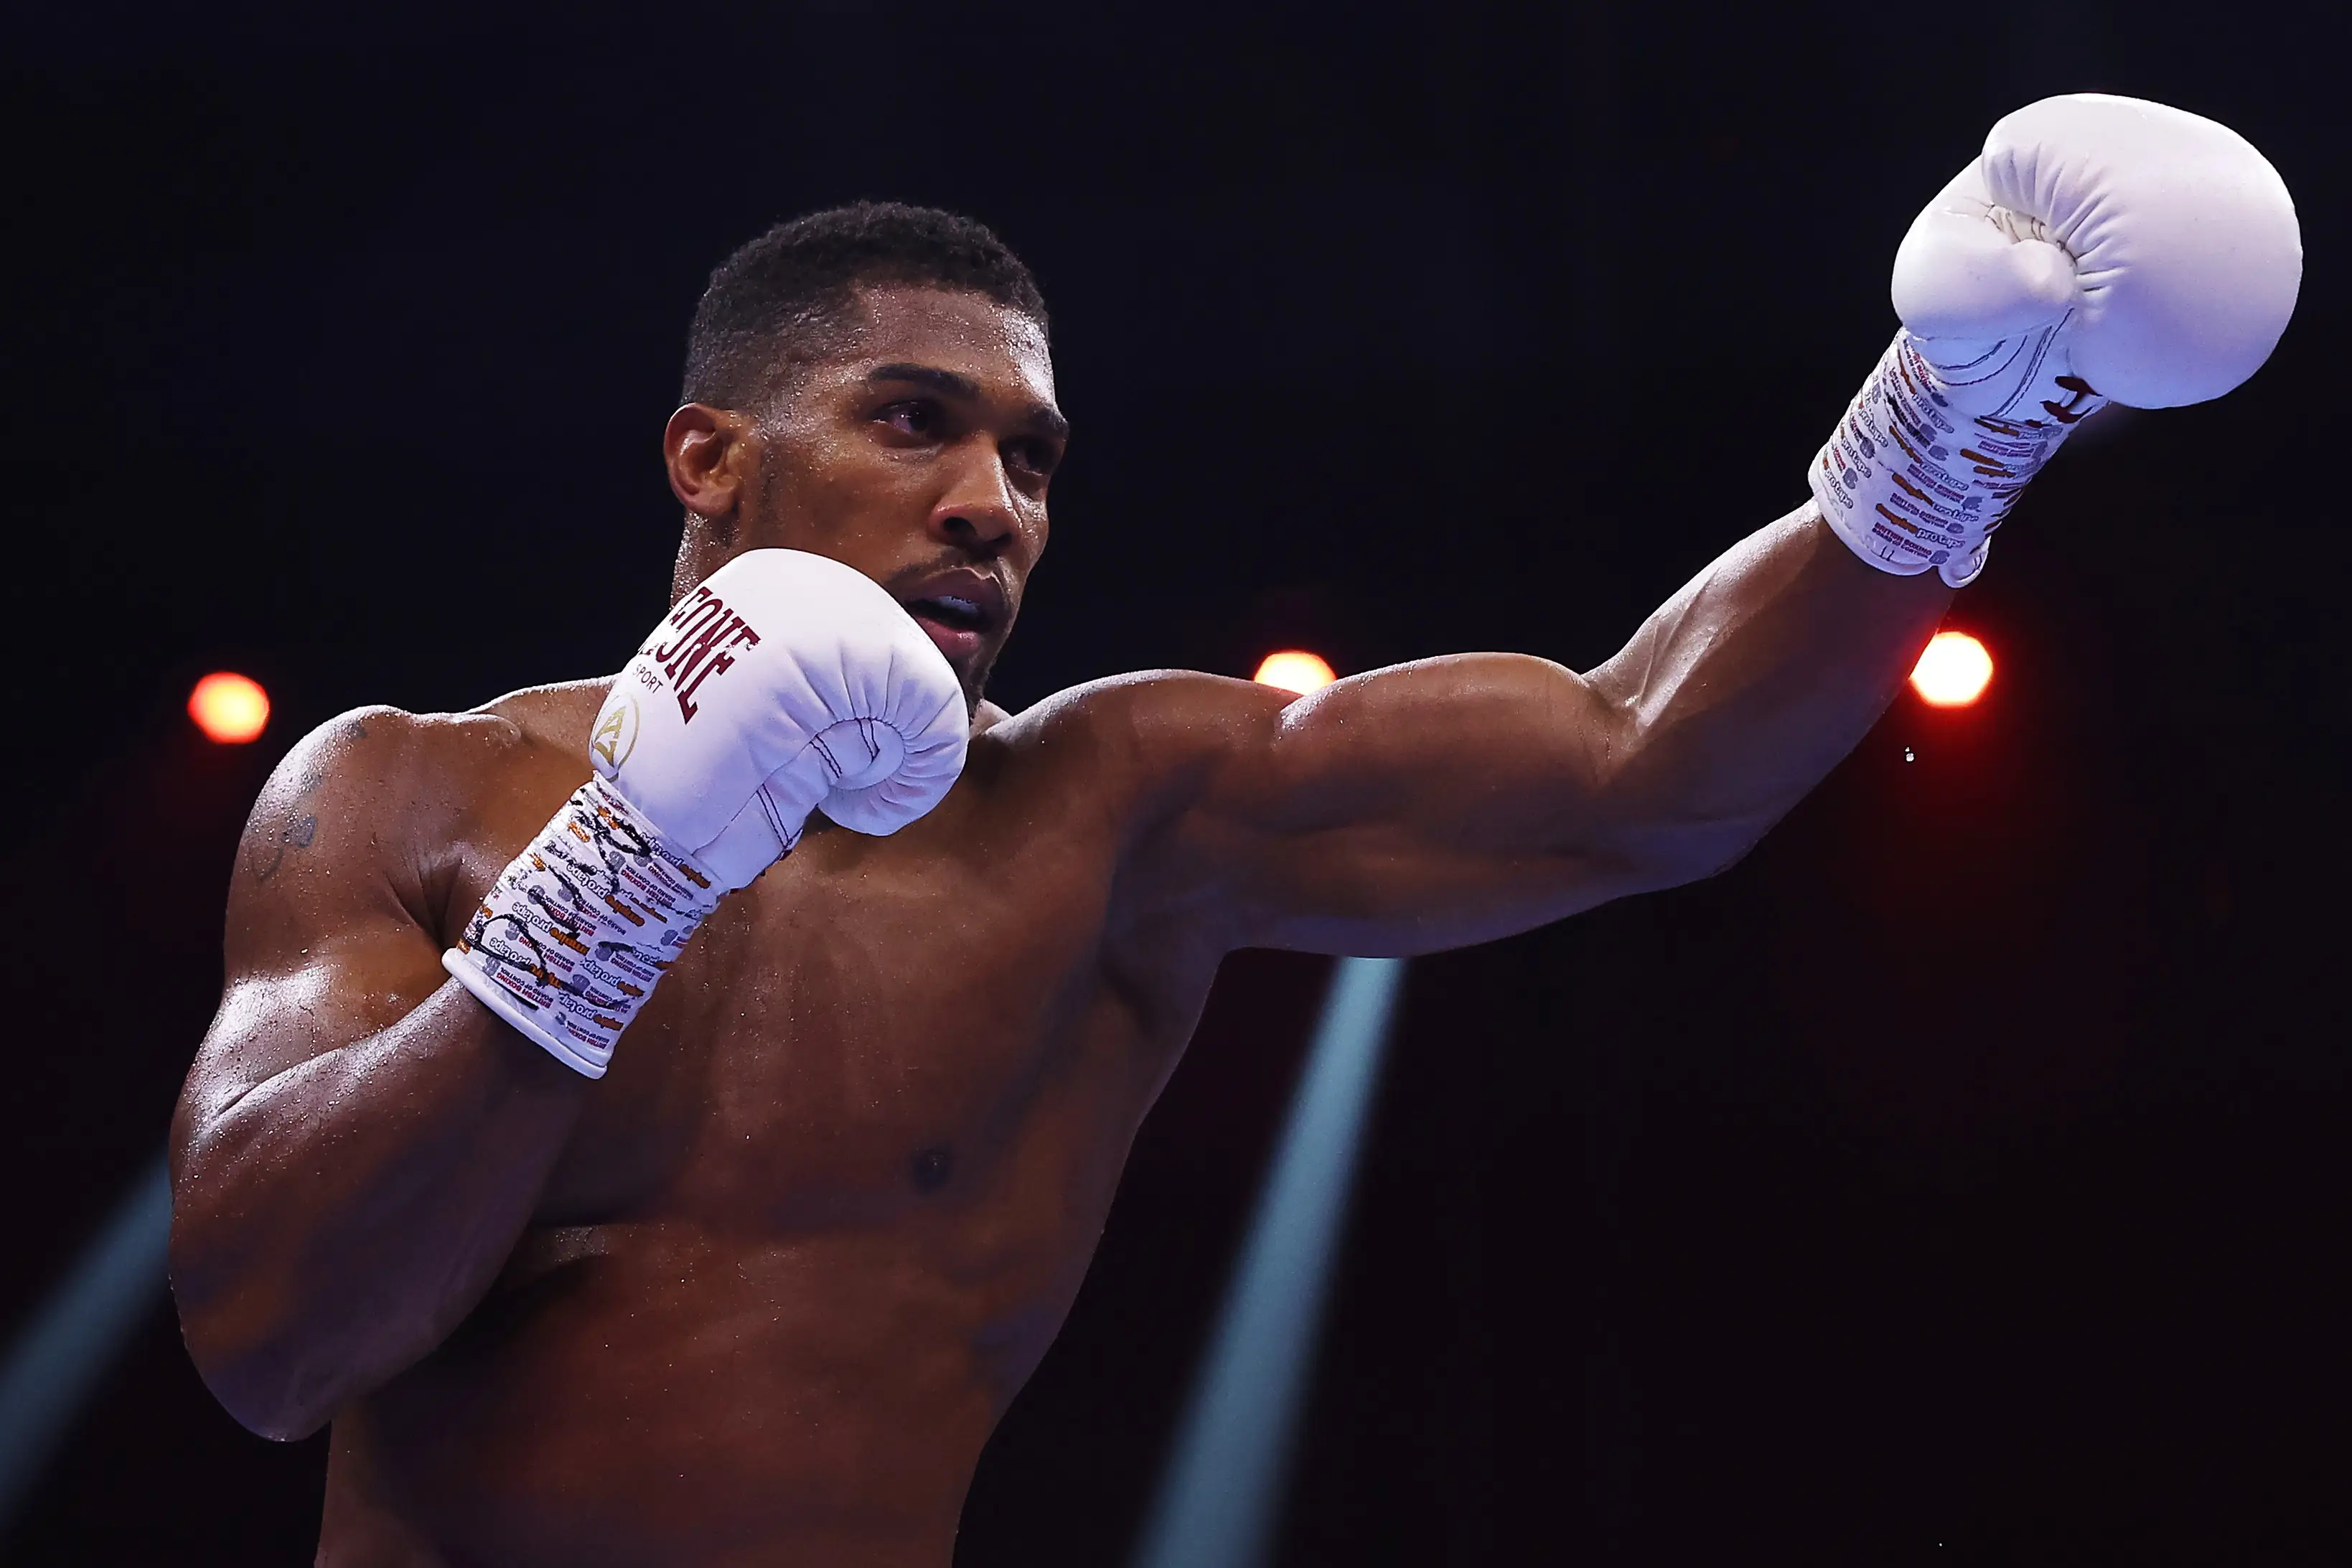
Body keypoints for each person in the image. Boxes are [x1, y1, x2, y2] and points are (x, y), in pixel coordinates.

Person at [169, 94, 2297, 1567]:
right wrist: (617, 879)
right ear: (707, 457)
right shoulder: (408, 792)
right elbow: (271, 1349)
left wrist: (1949, 423)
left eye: (1031, 457)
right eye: (914, 422)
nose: (991, 504)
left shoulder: (1108, 813)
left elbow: (1639, 768)